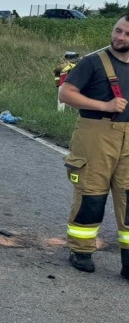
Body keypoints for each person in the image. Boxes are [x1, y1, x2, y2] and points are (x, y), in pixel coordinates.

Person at [58, 14, 129, 277]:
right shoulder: (93, 63)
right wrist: (105, 106)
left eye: (126, 34)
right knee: (92, 195)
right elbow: (65, 94)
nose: (119, 37)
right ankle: (81, 250)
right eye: (117, 30)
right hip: (95, 135)